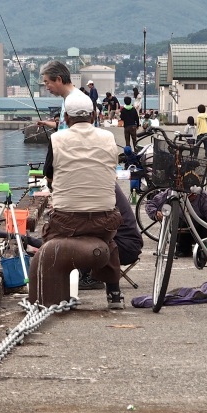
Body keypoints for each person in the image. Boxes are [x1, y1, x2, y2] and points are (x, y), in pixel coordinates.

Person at [40, 90, 124, 309]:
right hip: (104, 220)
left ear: (66, 118)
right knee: (110, 243)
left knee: (50, 240)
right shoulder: (108, 138)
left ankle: (56, 293)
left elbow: (48, 175)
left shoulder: (56, 139)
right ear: (94, 115)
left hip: (66, 220)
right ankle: (115, 295)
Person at [144, 187, 207, 259]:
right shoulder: (170, 193)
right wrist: (155, 213)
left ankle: (203, 247)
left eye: (192, 195)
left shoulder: (203, 197)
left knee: (206, 224)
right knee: (179, 222)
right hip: (181, 228)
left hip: (201, 230)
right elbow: (150, 203)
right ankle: (183, 248)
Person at [37, 60, 78, 131]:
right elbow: (64, 126)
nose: (46, 88)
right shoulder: (67, 98)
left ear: (59, 79)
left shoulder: (76, 101)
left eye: (47, 83)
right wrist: (46, 123)